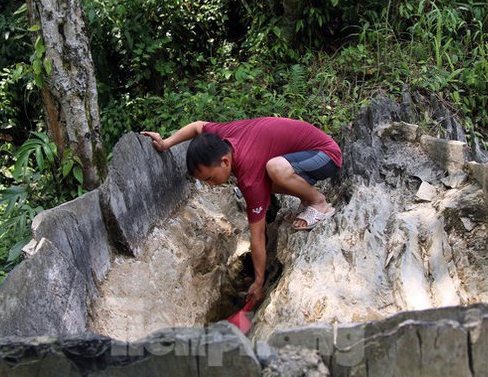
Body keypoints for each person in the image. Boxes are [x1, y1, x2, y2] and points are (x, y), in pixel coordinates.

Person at [141, 117, 342, 303]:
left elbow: (258, 235)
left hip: (326, 155)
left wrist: (258, 282)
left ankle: (318, 202)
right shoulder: (222, 138)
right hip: (306, 155)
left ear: (225, 162)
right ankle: (306, 198)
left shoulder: (248, 174)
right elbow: (197, 126)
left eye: (210, 178)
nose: (211, 185)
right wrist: (166, 143)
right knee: (270, 173)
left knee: (275, 169)